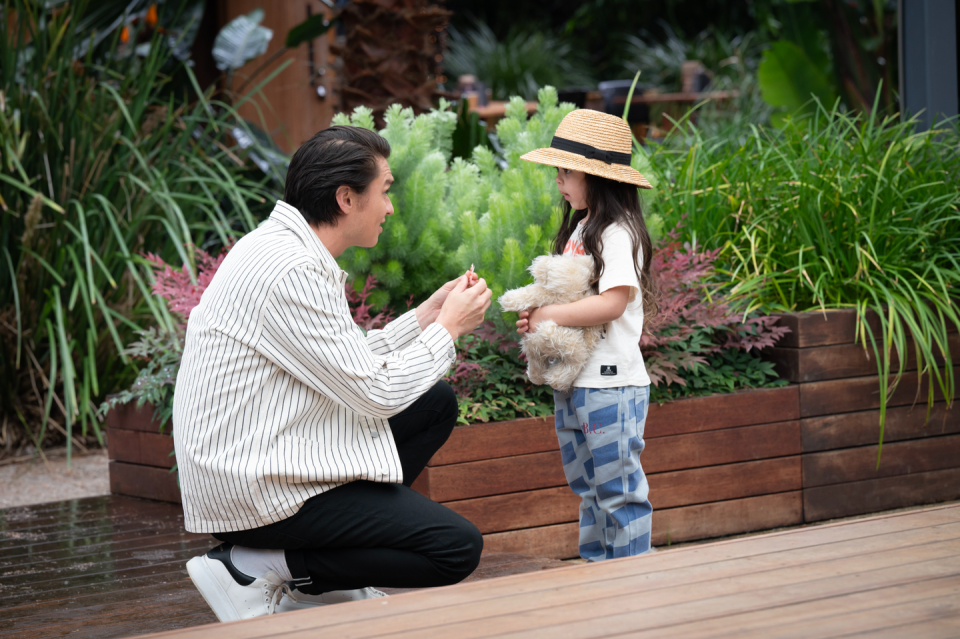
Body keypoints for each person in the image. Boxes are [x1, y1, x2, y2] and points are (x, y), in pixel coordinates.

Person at [173, 125, 492, 622]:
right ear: (346, 198)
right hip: (255, 489)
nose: (390, 208)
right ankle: (256, 566)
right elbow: (378, 392)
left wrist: (428, 315)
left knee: (434, 403)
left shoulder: (283, 248)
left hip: (262, 455)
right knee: (454, 547)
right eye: (384, 192)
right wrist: (448, 330)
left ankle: (316, 585)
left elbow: (349, 366)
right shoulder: (291, 270)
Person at [515, 109, 658, 560]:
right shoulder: (583, 227)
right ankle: (599, 576)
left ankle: (630, 583)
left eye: (565, 170)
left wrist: (551, 313)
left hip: (611, 383)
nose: (558, 179)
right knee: (591, 490)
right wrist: (541, 318)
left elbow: (612, 302)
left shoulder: (619, 233)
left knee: (617, 491)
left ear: (596, 176)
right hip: (578, 381)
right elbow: (578, 296)